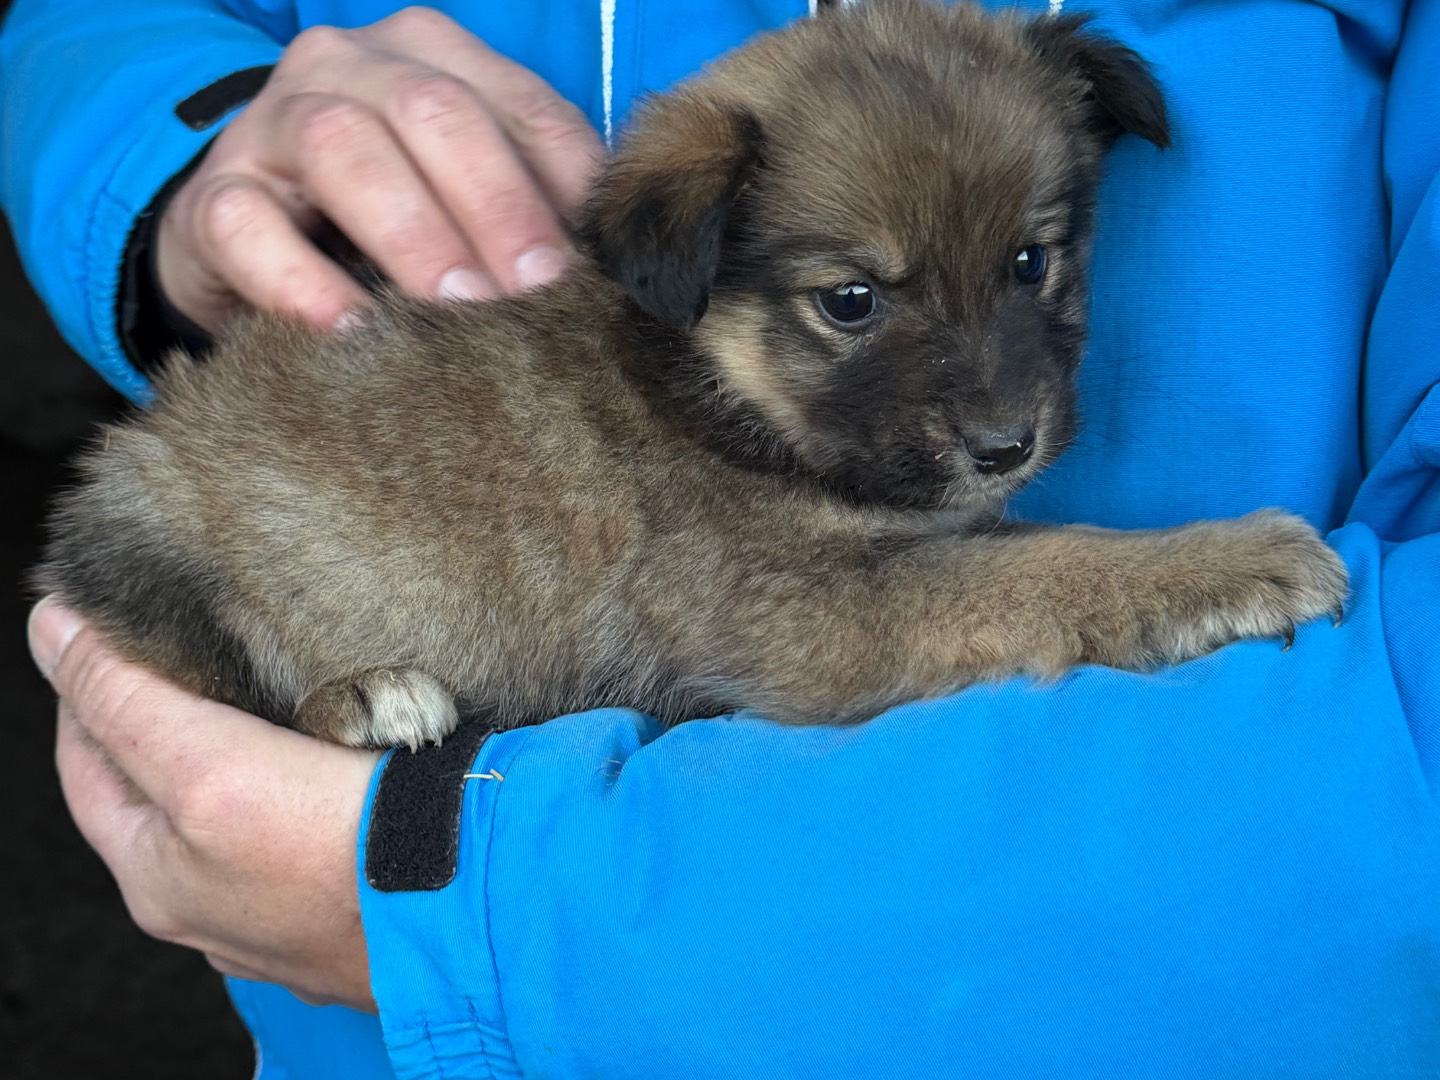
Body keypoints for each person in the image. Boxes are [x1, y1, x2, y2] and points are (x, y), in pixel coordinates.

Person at [5, 0, 1440, 1075]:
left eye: (1029, 271)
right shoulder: (684, 403)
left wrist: (474, 897)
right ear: (687, 273)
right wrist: (173, 140)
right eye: (854, 308)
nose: (1004, 407)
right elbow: (834, 636)